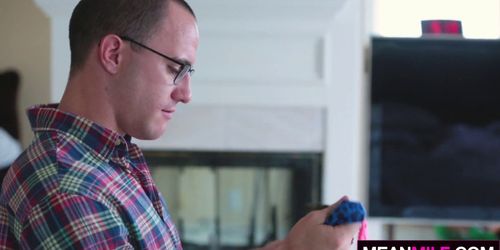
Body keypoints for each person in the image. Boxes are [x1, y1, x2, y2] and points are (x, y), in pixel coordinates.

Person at [0, 0, 361, 249]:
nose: (186, 94)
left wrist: (287, 248)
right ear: (113, 54)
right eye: (176, 69)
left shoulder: (109, 160)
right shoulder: (69, 187)